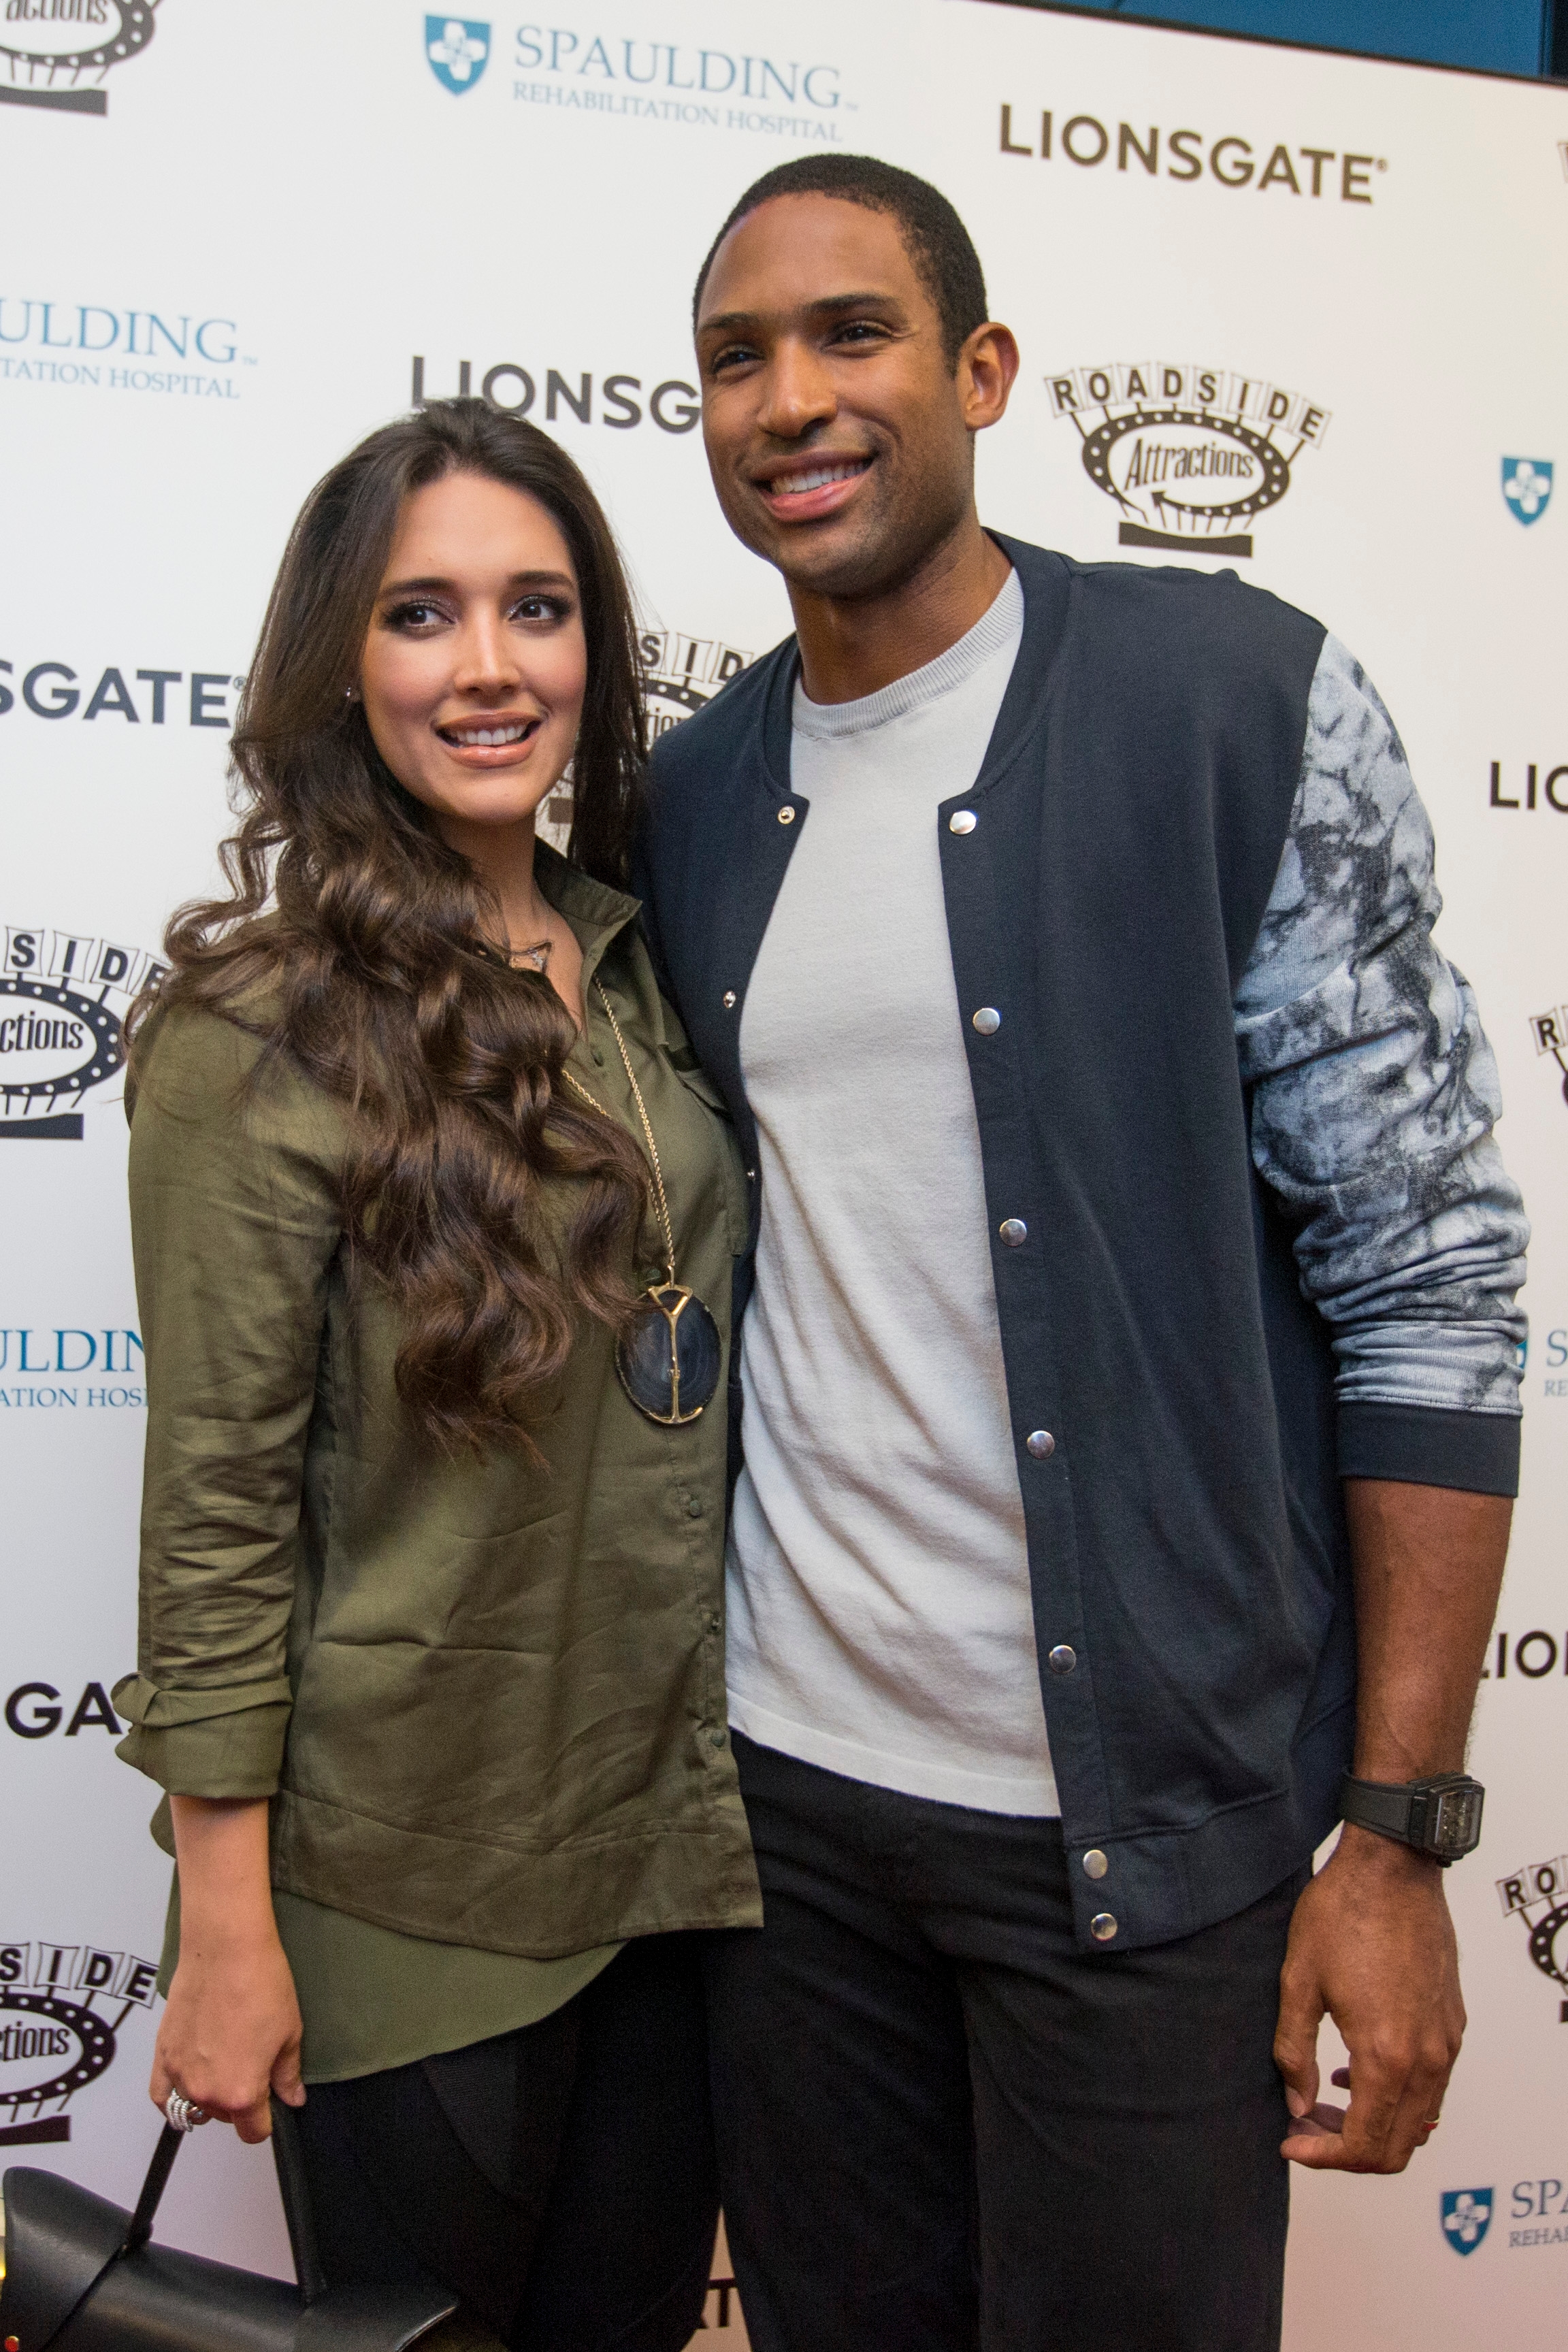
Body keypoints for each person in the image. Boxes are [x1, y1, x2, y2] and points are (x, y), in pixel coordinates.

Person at [635, 154, 1529, 2351]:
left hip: (1141, 1837)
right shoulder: (689, 791)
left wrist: (1397, 1836)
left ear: (983, 370)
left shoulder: (1234, 701)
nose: (790, 398)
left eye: (851, 333)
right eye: (737, 357)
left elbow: (1428, 1276)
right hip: (790, 1818)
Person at [113, 397, 759, 2352]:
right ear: (342, 662)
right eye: (422, 614)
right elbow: (216, 1510)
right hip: (405, 1891)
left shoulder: (641, 961)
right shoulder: (258, 1026)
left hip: (671, 1866)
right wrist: (229, 1932)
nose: (490, 665)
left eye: (536, 608)